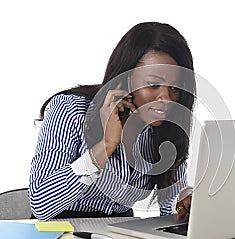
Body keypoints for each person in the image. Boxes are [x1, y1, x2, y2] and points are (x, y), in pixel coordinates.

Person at [29, 22, 194, 221]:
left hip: (120, 236)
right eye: (153, 84)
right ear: (125, 79)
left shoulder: (165, 130)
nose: (166, 98)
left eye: (175, 88)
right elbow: (40, 204)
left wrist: (185, 203)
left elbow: (170, 207)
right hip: (61, 234)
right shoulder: (71, 110)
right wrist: (106, 145)